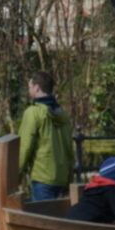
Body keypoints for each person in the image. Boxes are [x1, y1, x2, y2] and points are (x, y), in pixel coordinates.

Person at [18, 70, 74, 201]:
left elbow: (24, 147)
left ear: (37, 88)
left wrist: (15, 175)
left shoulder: (33, 113)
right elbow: (69, 149)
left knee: (41, 219)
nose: (29, 90)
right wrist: (69, 178)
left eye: (30, 87)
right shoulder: (63, 115)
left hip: (42, 176)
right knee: (56, 220)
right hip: (61, 177)